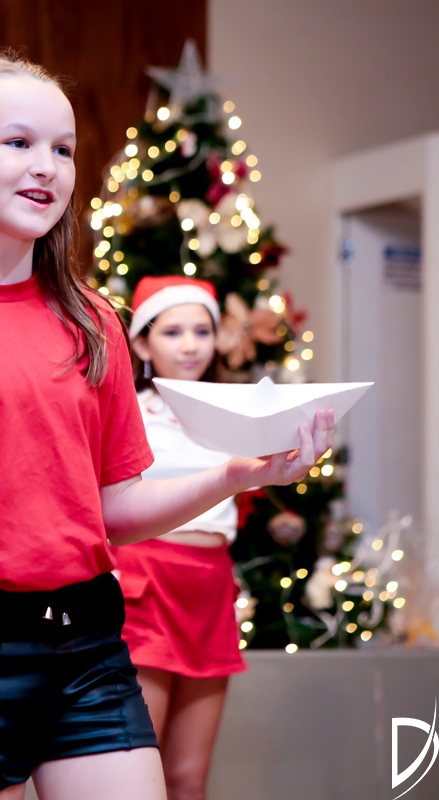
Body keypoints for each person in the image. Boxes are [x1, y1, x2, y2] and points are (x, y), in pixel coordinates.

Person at [0, 54, 334, 800]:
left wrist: (237, 475)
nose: (46, 167)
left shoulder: (93, 321)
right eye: (18, 142)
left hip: (90, 643)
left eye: (64, 149)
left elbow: (110, 510)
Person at [119, 276, 245, 800]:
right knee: (137, 773)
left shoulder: (237, 412)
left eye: (202, 330)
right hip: (145, 581)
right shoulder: (126, 408)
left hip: (211, 585)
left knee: (189, 777)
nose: (190, 345)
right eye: (172, 332)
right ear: (142, 344)